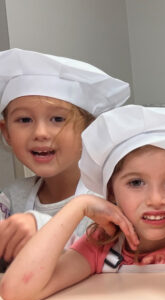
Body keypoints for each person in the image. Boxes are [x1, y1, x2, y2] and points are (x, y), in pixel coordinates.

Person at [0, 105, 165, 300]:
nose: (156, 199)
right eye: (136, 182)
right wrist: (78, 206)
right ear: (111, 191)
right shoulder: (102, 247)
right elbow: (16, 291)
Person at [0, 48, 130, 263]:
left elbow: (105, 260)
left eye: (58, 119)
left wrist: (39, 227)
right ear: (6, 133)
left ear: (89, 130)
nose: (40, 133)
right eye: (24, 120)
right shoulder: (12, 198)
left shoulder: (111, 198)